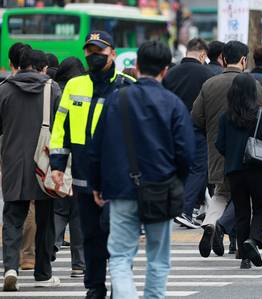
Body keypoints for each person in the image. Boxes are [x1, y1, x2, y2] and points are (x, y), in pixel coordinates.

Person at [90, 40, 195, 299]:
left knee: (120, 256)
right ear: (166, 70)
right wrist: (176, 182)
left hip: (121, 190)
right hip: (161, 190)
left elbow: (97, 145)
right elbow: (186, 153)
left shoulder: (117, 99)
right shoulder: (173, 104)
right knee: (158, 259)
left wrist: (97, 184)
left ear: (136, 67)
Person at [50, 31, 135, 298]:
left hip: (118, 179)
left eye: (100, 50)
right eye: (90, 51)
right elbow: (60, 129)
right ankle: (95, 286)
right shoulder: (74, 86)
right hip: (84, 177)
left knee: (118, 235)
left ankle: (119, 285)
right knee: (91, 236)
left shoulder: (129, 86)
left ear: (113, 53)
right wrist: (57, 164)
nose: (94, 55)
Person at [191, 40, 262, 258]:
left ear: (223, 59)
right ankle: (230, 234)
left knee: (221, 193)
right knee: (245, 198)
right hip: (247, 153)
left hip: (217, 150)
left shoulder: (209, 84)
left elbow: (196, 117)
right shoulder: (252, 84)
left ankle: (210, 223)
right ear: (244, 60)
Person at [1, 49, 62, 291]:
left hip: (13, 162)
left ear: (18, 65)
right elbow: (61, 127)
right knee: (45, 221)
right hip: (44, 165)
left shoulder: (4, 89)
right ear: (41, 68)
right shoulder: (53, 89)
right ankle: (43, 273)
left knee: (13, 219)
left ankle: (11, 268)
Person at [215, 72, 262, 269]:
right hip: (259, 170)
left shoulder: (225, 118)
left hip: (234, 171)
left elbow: (220, 145)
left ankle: (244, 258)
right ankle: (253, 241)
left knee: (242, 212)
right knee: (261, 209)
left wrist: (233, 154)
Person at [163, 38, 214, 230]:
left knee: (179, 167)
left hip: (172, 128)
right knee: (198, 168)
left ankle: (183, 207)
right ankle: (185, 210)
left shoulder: (171, 73)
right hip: (196, 128)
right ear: (202, 54)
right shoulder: (206, 73)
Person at [52, 57, 87, 278]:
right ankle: (79, 264)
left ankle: (49, 250)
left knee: (58, 209)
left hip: (57, 156)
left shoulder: (54, 91)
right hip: (81, 156)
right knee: (77, 213)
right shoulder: (85, 90)